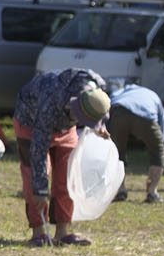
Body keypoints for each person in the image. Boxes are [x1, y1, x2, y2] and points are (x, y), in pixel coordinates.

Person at [13, 67, 111, 246]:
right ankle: (38, 232)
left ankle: (62, 232)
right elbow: (39, 150)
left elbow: (100, 109)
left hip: (65, 128)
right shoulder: (52, 100)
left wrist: (99, 126)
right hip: (30, 122)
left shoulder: (97, 90)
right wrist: (41, 189)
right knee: (34, 180)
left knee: (68, 176)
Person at [107, 83, 164, 203]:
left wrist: (108, 133)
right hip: (146, 114)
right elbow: (162, 121)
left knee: (117, 152)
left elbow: (109, 105)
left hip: (120, 111)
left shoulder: (120, 92)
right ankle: (152, 192)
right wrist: (159, 143)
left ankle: (120, 190)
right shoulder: (152, 94)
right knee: (158, 152)